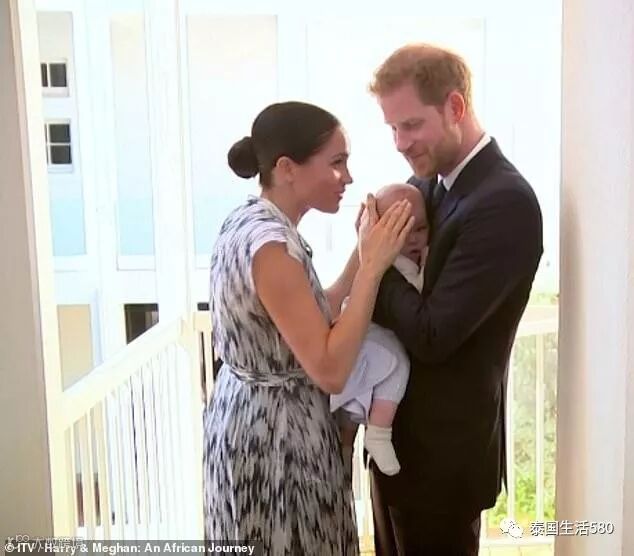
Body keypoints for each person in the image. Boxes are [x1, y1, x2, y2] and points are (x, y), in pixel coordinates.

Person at [202, 100, 414, 555]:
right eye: (336, 162)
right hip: (277, 440)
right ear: (287, 169)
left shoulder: (252, 222)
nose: (348, 177)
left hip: (250, 419)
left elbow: (318, 311)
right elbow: (330, 369)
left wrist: (364, 251)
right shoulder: (271, 247)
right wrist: (373, 270)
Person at [366, 43, 544, 555]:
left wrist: (375, 263)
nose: (400, 143)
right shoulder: (425, 185)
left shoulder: (504, 201)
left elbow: (432, 335)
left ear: (455, 107)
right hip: (398, 451)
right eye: (392, 128)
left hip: (443, 467)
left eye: (411, 125)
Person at [332, 183, 428, 477]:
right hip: (368, 337)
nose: (413, 239)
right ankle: (378, 433)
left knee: (350, 411)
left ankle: (345, 455)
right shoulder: (394, 262)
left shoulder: (385, 257)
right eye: (401, 230)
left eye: (421, 229)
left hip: (364, 338)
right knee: (397, 366)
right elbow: (416, 299)